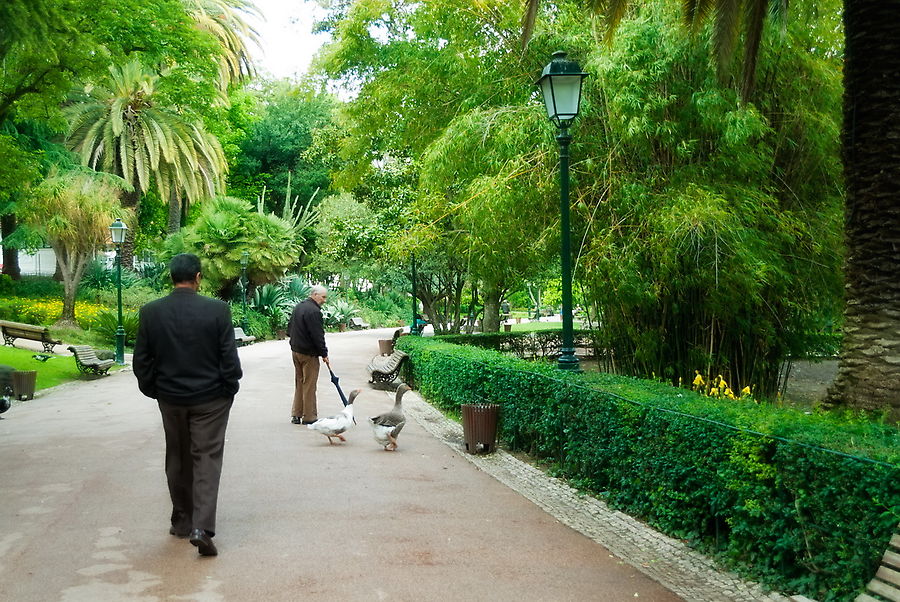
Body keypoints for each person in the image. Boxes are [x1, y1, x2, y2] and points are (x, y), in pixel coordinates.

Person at [133, 253, 242, 557]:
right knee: (206, 458)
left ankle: (182, 521)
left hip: (170, 398)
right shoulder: (217, 311)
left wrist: (155, 390)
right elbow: (229, 359)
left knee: (177, 457)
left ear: (172, 277)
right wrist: (229, 388)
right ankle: (202, 528)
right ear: (197, 277)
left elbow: (142, 361)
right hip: (211, 398)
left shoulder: (151, 312)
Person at [288, 285, 330, 425]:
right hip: (309, 354)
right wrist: (324, 354)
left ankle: (296, 414)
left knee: (299, 383)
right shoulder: (314, 312)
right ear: (315, 295)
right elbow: (318, 336)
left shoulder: (299, 307)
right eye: (323, 297)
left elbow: (289, 329)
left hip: (296, 351)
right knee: (309, 385)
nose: (324, 300)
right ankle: (309, 417)